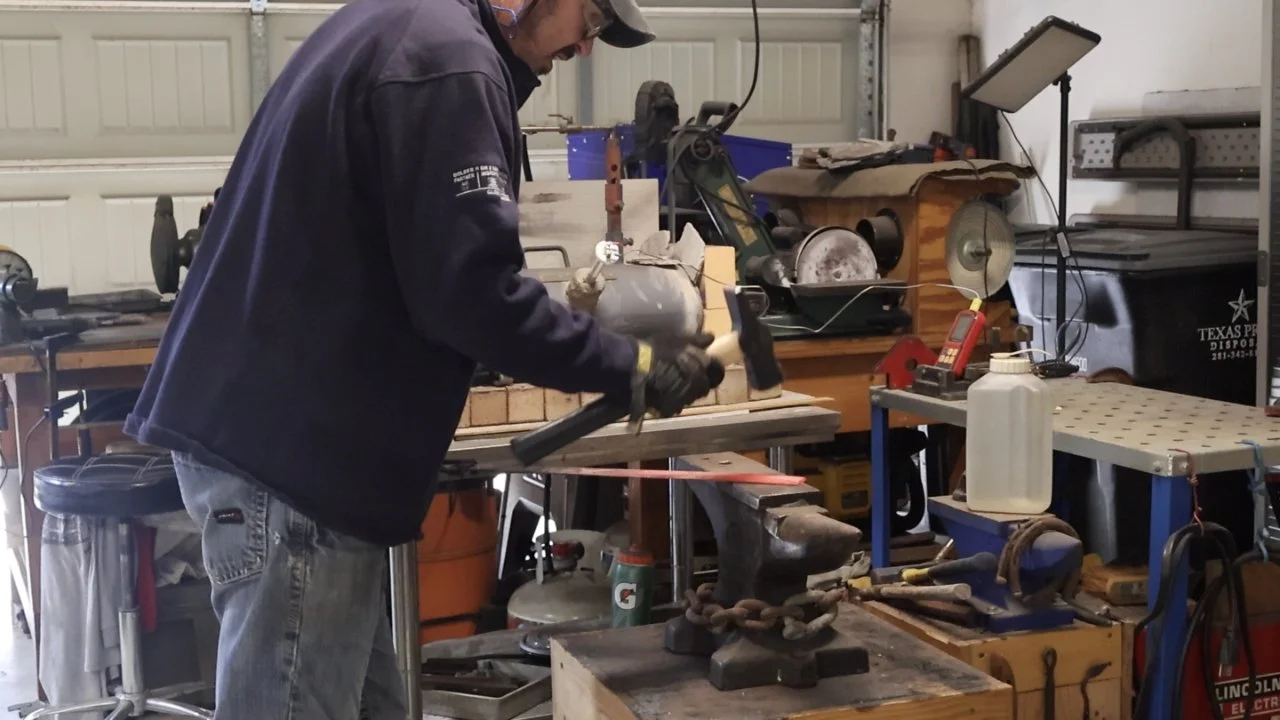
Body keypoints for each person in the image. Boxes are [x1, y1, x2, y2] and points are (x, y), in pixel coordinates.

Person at [123, 0, 722, 716]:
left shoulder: (409, 28)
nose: (586, 46)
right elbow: (471, 296)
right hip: (294, 471)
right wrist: (631, 365)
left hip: (299, 457)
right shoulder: (448, 61)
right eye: (589, 15)